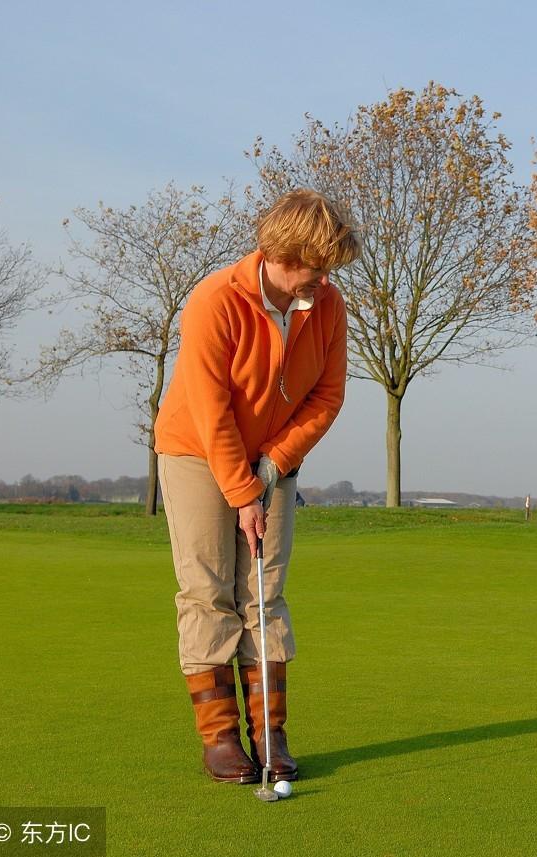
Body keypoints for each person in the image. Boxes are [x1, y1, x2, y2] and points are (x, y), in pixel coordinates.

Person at [154, 189, 360, 783]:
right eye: (315, 267)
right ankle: (219, 738)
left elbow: (328, 396)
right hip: (196, 451)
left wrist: (273, 464)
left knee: (263, 592)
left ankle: (270, 734)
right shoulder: (215, 300)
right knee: (208, 587)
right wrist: (242, 493)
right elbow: (209, 408)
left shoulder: (327, 306)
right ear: (280, 252)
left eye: (328, 270)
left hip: (273, 458)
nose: (322, 281)